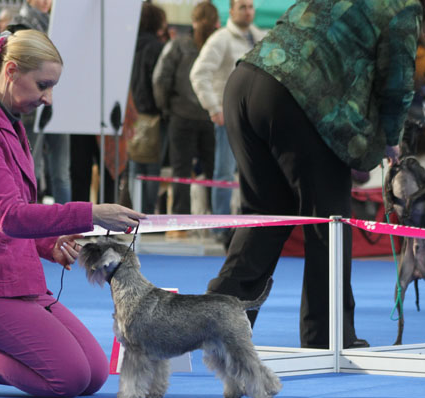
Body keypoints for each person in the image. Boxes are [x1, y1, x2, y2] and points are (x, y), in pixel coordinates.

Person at [0, 30, 145, 398]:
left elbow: (9, 208)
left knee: (94, 374)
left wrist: (47, 244)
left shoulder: (7, 120)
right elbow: (9, 216)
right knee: (68, 379)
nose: (48, 98)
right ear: (10, 71)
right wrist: (93, 213)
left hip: (11, 278)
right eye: (43, 85)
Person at [207, 0, 423, 349]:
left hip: (244, 83)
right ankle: (328, 337)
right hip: (298, 99)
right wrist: (392, 139)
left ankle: (213, 324)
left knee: (265, 216)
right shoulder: (403, 6)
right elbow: (397, 83)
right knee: (330, 225)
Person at [189, 0, 265, 248]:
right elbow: (199, 73)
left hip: (256, 119)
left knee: (254, 173)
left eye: (251, 6)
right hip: (229, 118)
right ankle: (221, 228)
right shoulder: (221, 39)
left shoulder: (260, 37)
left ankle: (251, 225)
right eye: (242, 7)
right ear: (231, 11)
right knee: (224, 173)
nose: (248, 11)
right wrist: (214, 108)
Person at [153, 1, 218, 217]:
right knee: (214, 171)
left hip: (181, 115)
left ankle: (181, 222)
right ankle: (216, 220)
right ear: (216, 22)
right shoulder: (219, 46)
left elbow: (161, 79)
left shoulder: (178, 45)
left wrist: (166, 108)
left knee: (181, 171)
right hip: (212, 115)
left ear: (193, 20)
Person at [7, 0, 72, 204]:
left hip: (60, 105)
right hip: (32, 106)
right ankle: (31, 217)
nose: (46, 2)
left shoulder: (60, 23)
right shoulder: (19, 25)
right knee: (31, 168)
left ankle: (67, 220)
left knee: (61, 172)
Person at [128, 2, 168, 214]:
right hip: (153, 114)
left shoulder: (129, 45)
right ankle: (148, 214)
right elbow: (159, 82)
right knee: (152, 167)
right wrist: (163, 108)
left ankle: (134, 211)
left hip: (131, 113)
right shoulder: (157, 48)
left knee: (134, 165)